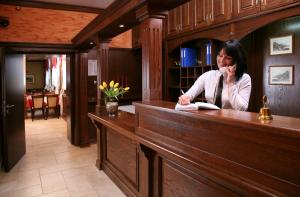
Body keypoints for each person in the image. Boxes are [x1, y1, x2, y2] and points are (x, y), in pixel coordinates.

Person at [178, 40, 251, 111]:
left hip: (232, 121)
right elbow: (189, 94)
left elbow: (242, 109)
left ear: (237, 61)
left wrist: (230, 83)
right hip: (211, 119)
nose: (221, 61)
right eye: (220, 55)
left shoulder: (244, 78)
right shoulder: (208, 75)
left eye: (228, 58)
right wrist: (185, 98)